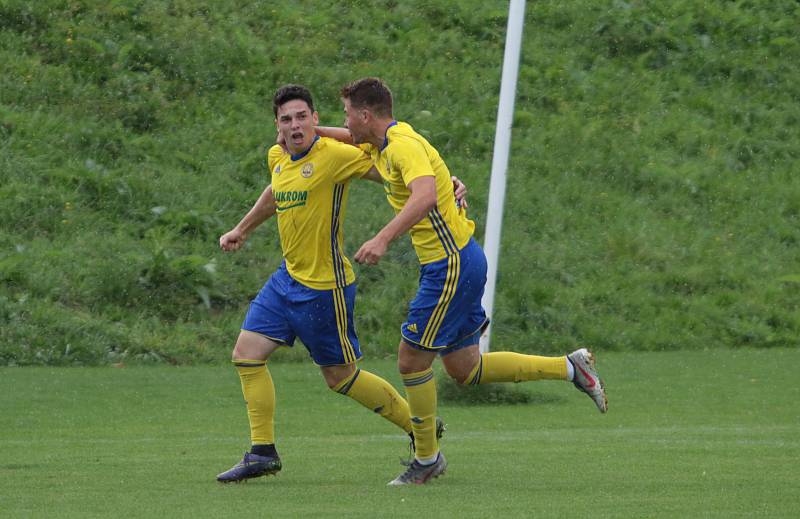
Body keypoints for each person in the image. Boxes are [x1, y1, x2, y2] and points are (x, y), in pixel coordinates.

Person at [331, 77, 608, 486]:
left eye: (347, 113)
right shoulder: (387, 141)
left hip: (450, 265)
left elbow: (424, 196)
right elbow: (346, 139)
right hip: (461, 259)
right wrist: (301, 132)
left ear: (365, 115)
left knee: (410, 360)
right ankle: (570, 368)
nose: (345, 122)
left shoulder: (402, 146)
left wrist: (382, 238)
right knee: (465, 368)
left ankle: (426, 459)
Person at [216, 84, 456, 483]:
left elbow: (399, 171)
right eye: (286, 119)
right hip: (286, 280)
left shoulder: (337, 155)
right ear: (276, 125)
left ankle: (421, 429)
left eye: (301, 116)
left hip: (325, 289)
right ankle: (262, 452)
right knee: (246, 354)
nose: (294, 125)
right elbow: (275, 191)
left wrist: (448, 182)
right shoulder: (277, 156)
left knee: (340, 378)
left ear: (315, 119)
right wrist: (242, 228)